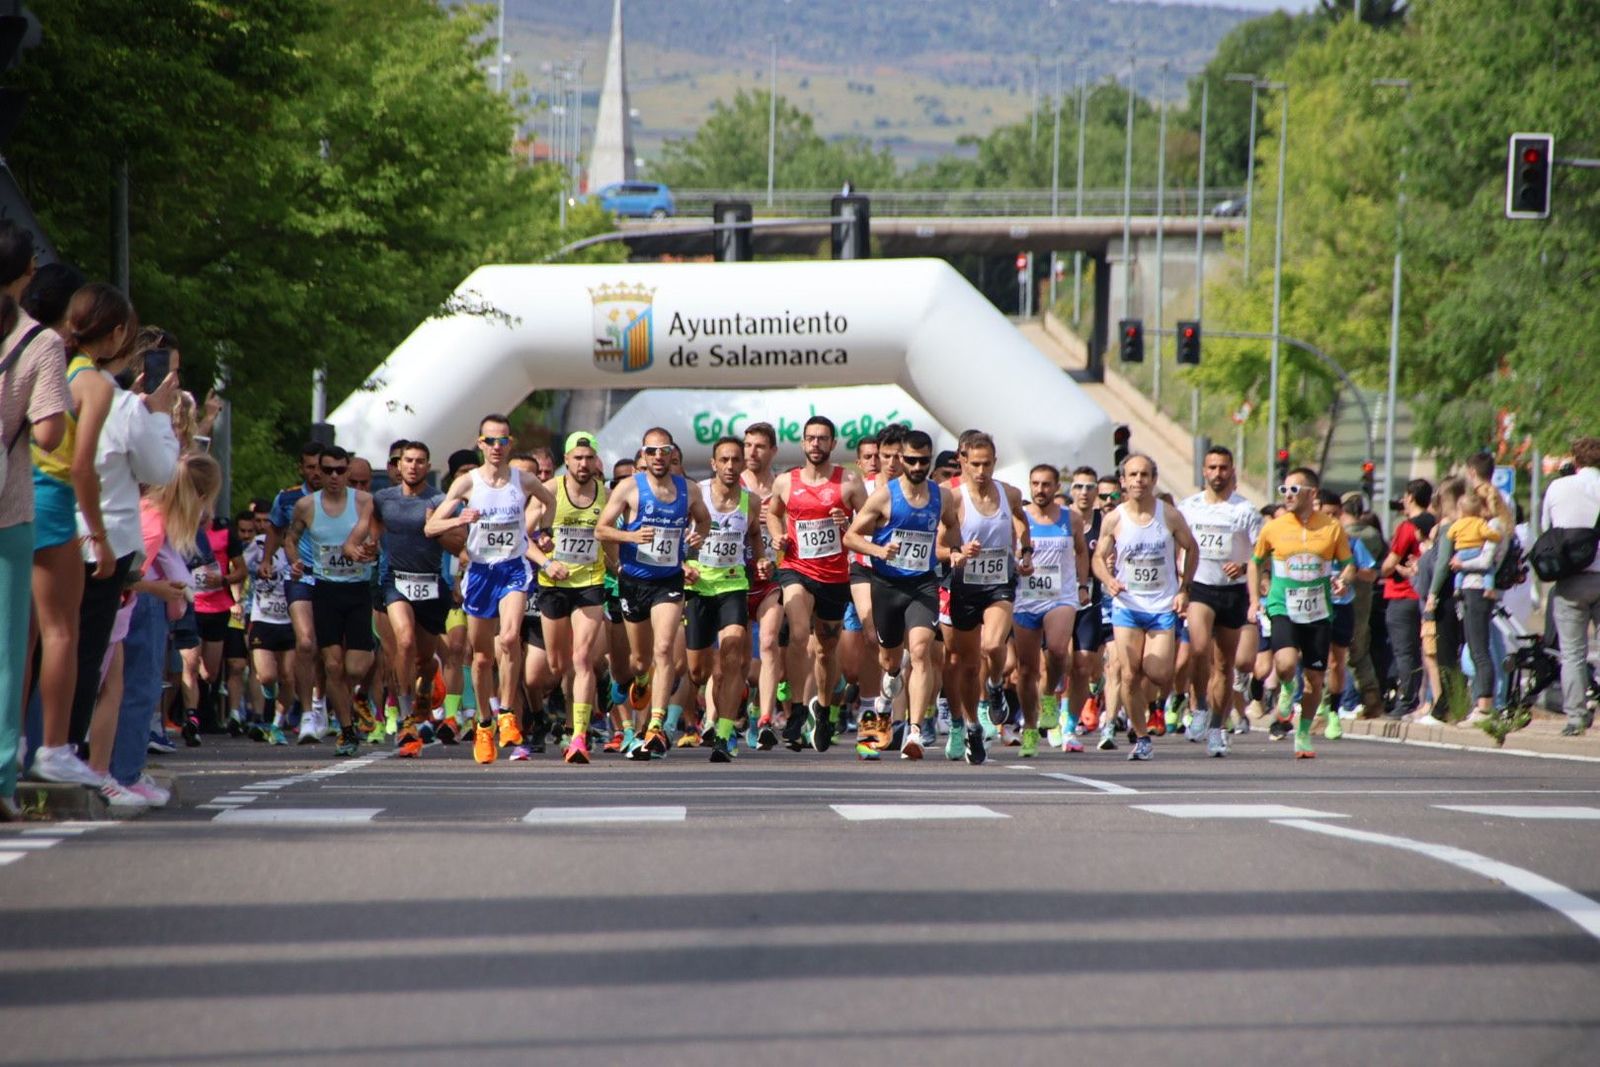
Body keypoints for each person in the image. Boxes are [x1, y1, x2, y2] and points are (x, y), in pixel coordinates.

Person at [25, 283, 133, 783]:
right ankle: (56, 748)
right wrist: (100, 536)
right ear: (114, 335)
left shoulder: (42, 358)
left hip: (18, 494)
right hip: (55, 503)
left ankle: (15, 739)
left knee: (20, 637)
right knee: (62, 631)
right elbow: (83, 467)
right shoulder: (95, 383)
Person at [425, 415, 556, 764]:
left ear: (510, 444)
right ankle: (484, 724)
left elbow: (549, 501)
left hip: (513, 568)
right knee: (482, 658)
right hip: (480, 572)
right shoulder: (468, 483)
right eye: (490, 441)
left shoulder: (523, 479)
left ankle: (508, 713)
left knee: (511, 638)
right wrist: (459, 519)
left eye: (503, 441)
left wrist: (544, 532)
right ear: (480, 444)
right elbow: (431, 526)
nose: (497, 448)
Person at [0, 222, 72, 818]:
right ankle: (2, 779)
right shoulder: (37, 341)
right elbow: (50, 431)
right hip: (10, 507)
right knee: (6, 647)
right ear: (27, 274)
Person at [844, 429, 961, 761]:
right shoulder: (884, 496)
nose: (917, 466)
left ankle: (914, 733)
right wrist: (879, 550)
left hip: (923, 585)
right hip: (888, 586)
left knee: (921, 652)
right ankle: (881, 705)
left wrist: (952, 550)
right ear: (901, 459)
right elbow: (852, 538)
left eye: (924, 460)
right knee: (890, 663)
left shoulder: (942, 497)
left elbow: (952, 526)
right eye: (911, 460)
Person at [595, 426, 710, 759]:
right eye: (652, 451)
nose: (659, 456)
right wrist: (631, 539)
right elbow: (602, 529)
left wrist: (697, 537)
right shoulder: (630, 488)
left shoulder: (688, 491)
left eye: (665, 450)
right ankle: (641, 681)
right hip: (634, 581)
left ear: (673, 454)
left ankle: (656, 727)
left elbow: (703, 522)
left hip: (669, 581)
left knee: (664, 651)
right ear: (643, 455)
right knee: (641, 661)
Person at [346, 439, 455, 758]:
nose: (413, 466)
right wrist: (359, 550)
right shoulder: (382, 499)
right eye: (408, 460)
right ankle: (406, 719)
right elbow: (360, 536)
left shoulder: (440, 499)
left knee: (424, 659)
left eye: (420, 461)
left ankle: (425, 686)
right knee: (403, 643)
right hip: (395, 582)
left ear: (427, 466)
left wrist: (439, 527)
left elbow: (459, 544)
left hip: (432, 584)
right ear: (398, 464)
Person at [766, 415, 869, 752]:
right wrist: (779, 535)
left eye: (822, 439)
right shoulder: (786, 481)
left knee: (826, 649)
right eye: (810, 438)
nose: (816, 444)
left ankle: (823, 710)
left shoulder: (849, 483)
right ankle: (796, 709)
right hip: (796, 568)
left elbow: (868, 527)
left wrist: (848, 522)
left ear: (833, 444)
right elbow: (772, 512)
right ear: (803, 443)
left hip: (834, 576)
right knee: (797, 634)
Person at [1092, 454, 1199, 761]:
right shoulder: (1115, 518)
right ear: (1123, 481)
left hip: (1161, 606)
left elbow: (1192, 548)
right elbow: (1099, 557)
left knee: (1158, 672)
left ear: (1153, 479)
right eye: (1132, 475)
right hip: (1127, 605)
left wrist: (1184, 588)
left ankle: (1144, 705)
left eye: (1145, 475)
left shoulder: (1169, 516)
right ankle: (1141, 738)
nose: (1139, 480)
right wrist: (1109, 580)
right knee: (1128, 674)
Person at [1248, 468, 1355, 759]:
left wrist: (1344, 581)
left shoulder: (1332, 528)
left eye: (1294, 490)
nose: (1288, 496)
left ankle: (1304, 733)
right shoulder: (1274, 527)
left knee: (1315, 679)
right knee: (1284, 663)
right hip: (1283, 606)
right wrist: (1254, 599)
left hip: (1319, 611)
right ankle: (1285, 688)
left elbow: (1348, 564)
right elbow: (1254, 562)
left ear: (1313, 493)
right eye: (1284, 490)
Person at [284, 445, 375, 757]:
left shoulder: (363, 501)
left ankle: (352, 702)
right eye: (328, 470)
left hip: (358, 590)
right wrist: (294, 561)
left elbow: (369, 535)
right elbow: (290, 539)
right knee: (333, 664)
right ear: (317, 473)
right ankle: (347, 730)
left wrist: (366, 549)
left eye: (340, 470)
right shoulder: (306, 506)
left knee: (355, 668)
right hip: (325, 590)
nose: (335, 476)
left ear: (348, 471)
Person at [526, 431, 611, 765]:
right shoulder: (550, 491)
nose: (583, 463)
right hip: (554, 583)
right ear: (567, 459)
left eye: (589, 458)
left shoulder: (605, 493)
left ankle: (579, 736)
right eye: (577, 457)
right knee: (556, 666)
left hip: (590, 581)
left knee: (582, 658)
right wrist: (547, 561)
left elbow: (609, 539)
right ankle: (560, 712)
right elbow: (523, 535)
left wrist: (620, 570)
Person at [683, 436, 767, 762]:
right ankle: (725, 703)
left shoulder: (751, 500)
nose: (731, 466)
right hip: (698, 586)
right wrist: (683, 563)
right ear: (713, 464)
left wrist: (760, 559)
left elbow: (756, 536)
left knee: (732, 655)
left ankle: (725, 733)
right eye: (725, 460)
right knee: (699, 672)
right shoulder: (696, 494)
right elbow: (675, 533)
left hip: (732, 586)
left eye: (736, 460)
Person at [1178, 445, 1262, 757]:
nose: (1217, 474)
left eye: (1223, 468)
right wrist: (1180, 586)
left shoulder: (1245, 510)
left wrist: (1243, 568)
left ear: (1232, 471)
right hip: (1200, 587)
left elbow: (1258, 555)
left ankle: (1216, 726)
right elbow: (1179, 548)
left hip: (1233, 591)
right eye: (1212, 468)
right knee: (1199, 651)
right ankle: (1198, 706)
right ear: (1203, 471)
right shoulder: (1189, 507)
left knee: (1225, 665)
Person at [1012, 463, 1088, 757]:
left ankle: (1048, 697)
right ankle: (1030, 728)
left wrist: (1083, 585)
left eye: (1046, 485)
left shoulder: (1071, 518)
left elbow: (1081, 552)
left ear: (1057, 488)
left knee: (1057, 650)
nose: (1040, 490)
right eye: (1035, 484)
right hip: (1026, 598)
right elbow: (1009, 551)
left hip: (1061, 595)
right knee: (1026, 669)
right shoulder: (1020, 518)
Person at [261, 441, 328, 740]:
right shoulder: (287, 498)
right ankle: (307, 714)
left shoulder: (341, 498)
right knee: (305, 642)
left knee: (329, 650)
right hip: (299, 576)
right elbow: (275, 530)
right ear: (301, 468)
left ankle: (323, 703)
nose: (316, 473)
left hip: (336, 579)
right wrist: (266, 559)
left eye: (321, 467)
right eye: (310, 467)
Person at [1540, 436, 1600, 736]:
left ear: (1574, 460)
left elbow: (1545, 531)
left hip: (1571, 579)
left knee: (1573, 653)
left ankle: (1576, 717)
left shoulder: (1558, 487)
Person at [1316, 488, 1378, 739]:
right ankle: (1316, 699)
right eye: (1325, 514)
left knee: (1336, 661)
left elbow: (1371, 573)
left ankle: (1333, 711)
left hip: (1342, 606)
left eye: (1334, 514)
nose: (1330, 519)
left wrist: (1347, 578)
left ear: (1340, 515)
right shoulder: (1307, 542)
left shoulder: (1351, 542)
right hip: (1313, 606)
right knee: (1312, 659)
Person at [740, 421, 786, 748]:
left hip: (772, 578)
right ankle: (737, 707)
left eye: (759, 446)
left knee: (769, 643)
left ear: (772, 451)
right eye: (747, 445)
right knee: (736, 657)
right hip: (733, 578)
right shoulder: (730, 484)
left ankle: (766, 719)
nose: (751, 452)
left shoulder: (783, 487)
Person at [1380, 479, 1436, 719]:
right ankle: (1428, 699)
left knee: (1405, 652)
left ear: (1411, 497)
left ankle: (1407, 699)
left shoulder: (1406, 527)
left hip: (1403, 595)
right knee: (1427, 652)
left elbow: (1390, 564)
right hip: (1425, 595)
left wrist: (1383, 570)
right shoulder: (1435, 522)